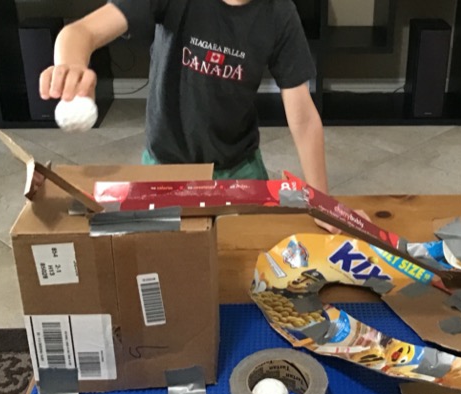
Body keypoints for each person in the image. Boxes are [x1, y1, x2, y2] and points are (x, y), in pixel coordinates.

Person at [40, 0, 349, 232]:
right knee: (170, 274)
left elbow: (304, 118)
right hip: (164, 170)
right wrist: (71, 65)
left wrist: (322, 201)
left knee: (248, 269)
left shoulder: (279, 13)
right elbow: (81, 31)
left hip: (239, 169)